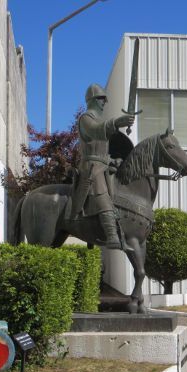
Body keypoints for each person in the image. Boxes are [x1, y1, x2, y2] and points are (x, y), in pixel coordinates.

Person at [72, 83, 134, 249]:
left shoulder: (101, 122)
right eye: (101, 99)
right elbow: (95, 131)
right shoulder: (86, 119)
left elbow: (103, 148)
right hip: (91, 167)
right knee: (103, 196)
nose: (104, 102)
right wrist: (116, 122)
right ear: (91, 100)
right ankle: (112, 236)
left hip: (103, 166)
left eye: (105, 99)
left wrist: (114, 161)